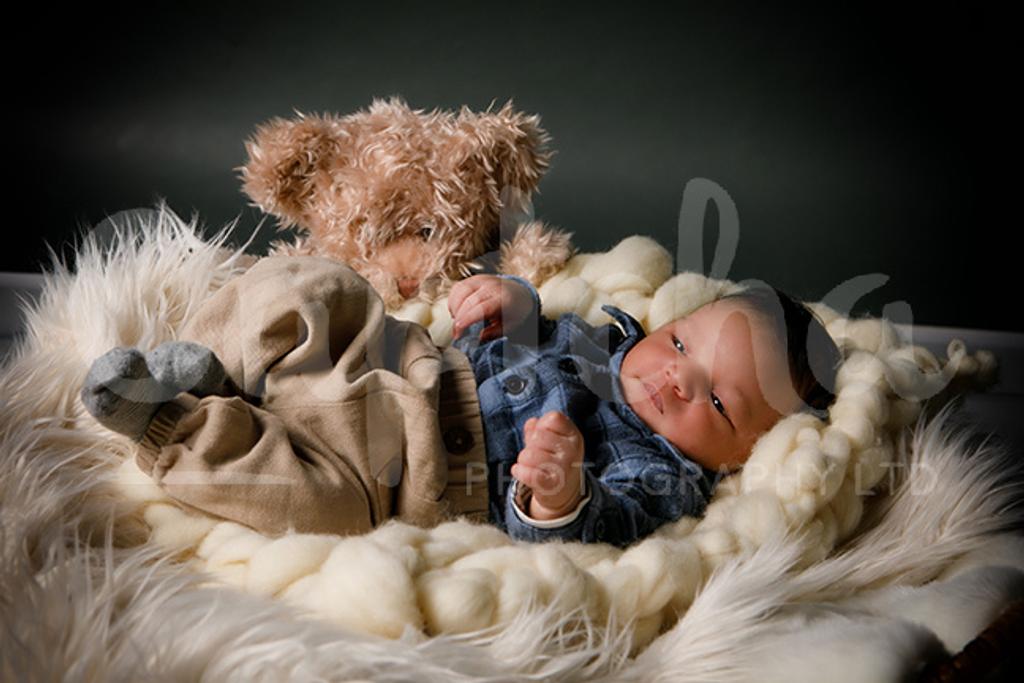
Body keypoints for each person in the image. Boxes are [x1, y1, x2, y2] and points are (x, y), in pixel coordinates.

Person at [81, 255, 840, 547]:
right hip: (409, 362)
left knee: (305, 497)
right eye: (680, 345)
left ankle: (174, 419)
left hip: (404, 471)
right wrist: (512, 304)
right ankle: (217, 364)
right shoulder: (601, 341)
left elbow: (599, 529)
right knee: (324, 288)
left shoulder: (664, 474)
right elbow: (521, 333)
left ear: (746, 454)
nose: (677, 378)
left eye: (719, 404)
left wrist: (559, 494)